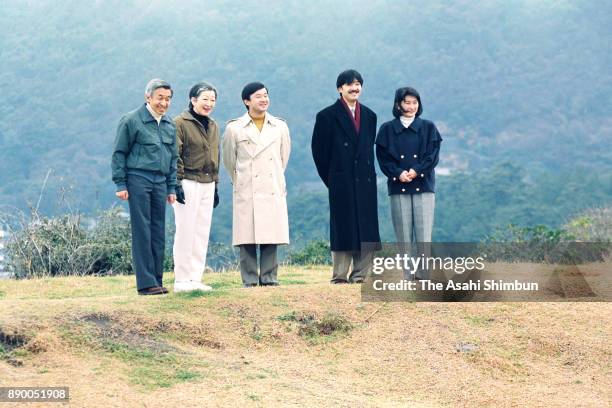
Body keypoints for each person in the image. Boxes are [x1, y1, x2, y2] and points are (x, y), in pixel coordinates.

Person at [311, 69, 381, 284]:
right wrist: (333, 179)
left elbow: (369, 149)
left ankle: (361, 274)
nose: (355, 87)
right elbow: (319, 152)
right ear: (340, 88)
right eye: (349, 84)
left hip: (365, 181)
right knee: (343, 226)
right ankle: (340, 276)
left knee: (367, 226)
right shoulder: (326, 116)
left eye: (358, 83)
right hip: (341, 181)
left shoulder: (370, 115)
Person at [111, 78, 178, 295]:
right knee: (142, 230)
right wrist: (120, 183)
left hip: (160, 181)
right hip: (138, 179)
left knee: (158, 231)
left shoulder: (169, 124)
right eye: (160, 98)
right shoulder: (131, 120)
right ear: (148, 97)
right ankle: (146, 283)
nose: (164, 103)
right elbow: (119, 152)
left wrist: (171, 187)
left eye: (168, 99)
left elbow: (173, 158)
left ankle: (157, 280)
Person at [222, 82, 290, 287]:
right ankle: (250, 279)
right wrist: (241, 181)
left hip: (271, 187)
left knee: (271, 233)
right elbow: (229, 161)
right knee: (247, 235)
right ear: (246, 101)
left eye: (266, 95)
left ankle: (269, 277)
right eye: (258, 96)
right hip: (247, 187)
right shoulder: (234, 128)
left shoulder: (280, 126)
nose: (264, 99)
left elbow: (283, 157)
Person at [375, 87, 442, 279]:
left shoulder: (428, 127)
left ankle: (423, 275)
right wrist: (398, 173)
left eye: (415, 102)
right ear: (398, 104)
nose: (411, 106)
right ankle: (407, 275)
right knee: (403, 235)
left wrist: (416, 171)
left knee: (423, 234)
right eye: (407, 102)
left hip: (424, 185)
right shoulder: (387, 129)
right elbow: (383, 158)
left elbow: (433, 156)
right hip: (398, 185)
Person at [172, 82, 221, 293]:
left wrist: (216, 185)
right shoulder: (179, 123)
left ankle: (195, 278)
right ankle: (182, 279)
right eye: (205, 100)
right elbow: (175, 155)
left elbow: (215, 156)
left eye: (212, 100)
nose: (209, 104)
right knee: (185, 230)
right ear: (193, 100)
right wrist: (176, 183)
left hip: (208, 182)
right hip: (187, 181)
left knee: (201, 231)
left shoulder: (214, 126)